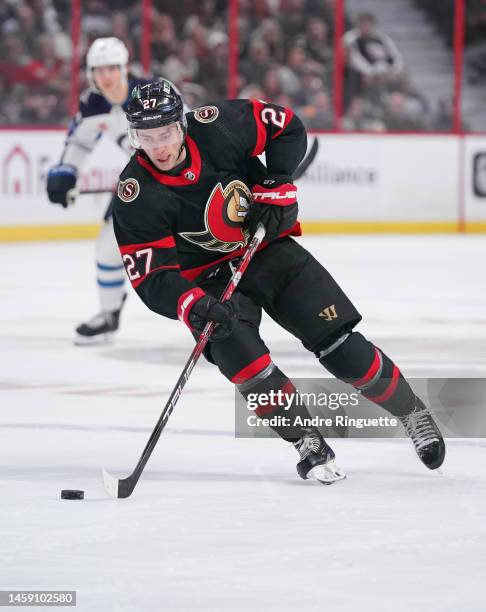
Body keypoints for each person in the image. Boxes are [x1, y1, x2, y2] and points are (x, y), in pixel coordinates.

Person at [112, 81, 446, 484]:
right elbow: (152, 276)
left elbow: (286, 127)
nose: (158, 147)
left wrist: (277, 180)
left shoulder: (218, 125)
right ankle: (306, 440)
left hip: (268, 250)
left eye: (164, 133)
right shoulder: (135, 195)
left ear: (181, 123)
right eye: (145, 137)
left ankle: (412, 412)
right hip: (209, 283)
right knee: (246, 363)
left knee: (341, 347)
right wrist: (193, 303)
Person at [46, 37, 187, 344]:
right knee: (108, 247)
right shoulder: (92, 103)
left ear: (125, 68)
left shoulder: (153, 92)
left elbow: (191, 129)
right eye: (98, 69)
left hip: (186, 180)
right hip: (144, 184)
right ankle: (109, 315)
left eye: (112, 68)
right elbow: (80, 141)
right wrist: (66, 172)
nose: (105, 76)